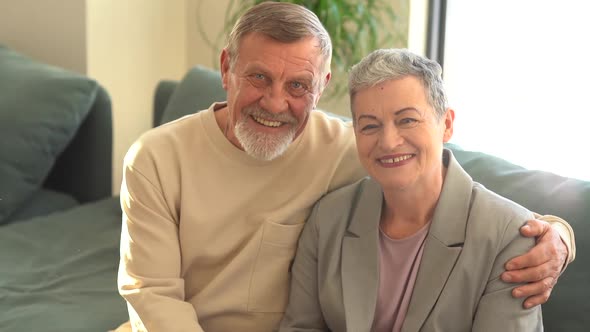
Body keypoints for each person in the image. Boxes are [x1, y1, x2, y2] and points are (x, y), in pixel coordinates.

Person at [113, 3, 575, 331]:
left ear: (321, 87)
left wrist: (557, 234)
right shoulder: (156, 158)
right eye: (258, 77)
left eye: (297, 84)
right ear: (226, 68)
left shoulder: (354, 145)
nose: (275, 102)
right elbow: (152, 297)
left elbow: (448, 181)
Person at [278, 48, 546, 331]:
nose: (389, 142)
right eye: (370, 126)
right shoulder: (328, 220)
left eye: (407, 120)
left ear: (447, 124)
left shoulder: (509, 238)